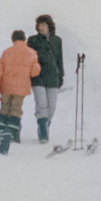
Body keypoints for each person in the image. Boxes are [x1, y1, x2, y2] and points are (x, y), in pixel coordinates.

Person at [0, 29, 41, 155]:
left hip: (6, 86)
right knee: (16, 109)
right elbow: (34, 72)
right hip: (21, 87)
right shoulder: (31, 53)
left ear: (13, 39)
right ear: (24, 39)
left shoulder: (6, 52)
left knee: (4, 107)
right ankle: (12, 133)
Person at [27, 14, 65, 144]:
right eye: (39, 25)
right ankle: (43, 132)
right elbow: (28, 59)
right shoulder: (33, 40)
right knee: (42, 104)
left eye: (44, 25)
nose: (41, 27)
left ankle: (44, 127)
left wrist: (61, 75)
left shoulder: (57, 40)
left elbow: (59, 59)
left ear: (49, 26)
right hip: (38, 77)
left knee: (52, 107)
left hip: (53, 77)